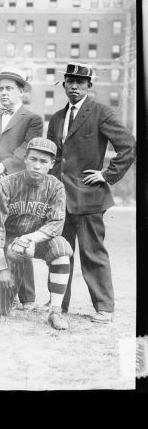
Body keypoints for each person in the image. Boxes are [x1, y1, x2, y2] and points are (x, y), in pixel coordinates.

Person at [47, 62, 136, 324]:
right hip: (59, 198)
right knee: (59, 251)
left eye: (81, 82)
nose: (75, 86)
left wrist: (107, 175)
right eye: (70, 82)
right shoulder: (57, 118)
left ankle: (104, 307)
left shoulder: (101, 113)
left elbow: (128, 145)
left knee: (92, 253)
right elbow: (53, 156)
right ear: (63, 84)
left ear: (89, 86)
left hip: (89, 197)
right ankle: (57, 305)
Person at [0, 65, 43, 310]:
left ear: (21, 91)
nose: (3, 93)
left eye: (9, 89)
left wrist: (4, 168)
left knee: (16, 238)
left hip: (15, 187)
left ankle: (27, 296)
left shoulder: (32, 119)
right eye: (1, 88)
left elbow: (28, 148)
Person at [0, 138, 73, 330]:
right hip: (9, 243)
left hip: (36, 238)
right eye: (33, 159)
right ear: (25, 159)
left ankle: (55, 311)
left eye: (43, 162)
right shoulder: (6, 184)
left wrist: (31, 238)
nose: (37, 165)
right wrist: (1, 268)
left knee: (61, 247)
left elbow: (56, 224)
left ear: (51, 165)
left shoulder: (56, 186)